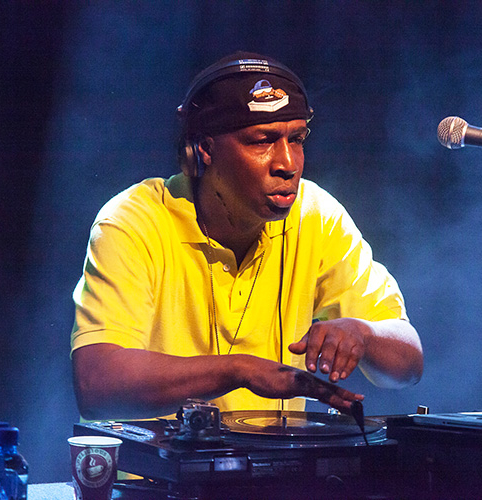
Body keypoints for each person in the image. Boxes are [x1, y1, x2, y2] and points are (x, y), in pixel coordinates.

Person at [71, 52, 423, 421]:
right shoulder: (133, 221)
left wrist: (362, 334)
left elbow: (409, 364)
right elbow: (97, 385)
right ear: (203, 150)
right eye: (262, 140)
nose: (287, 163)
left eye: (297, 138)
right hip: (151, 480)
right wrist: (239, 370)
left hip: (277, 478)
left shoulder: (316, 216)